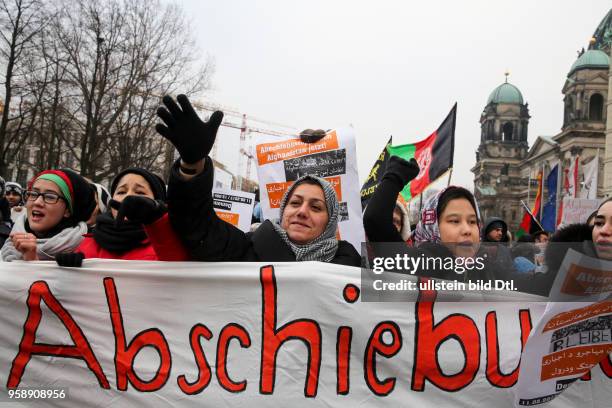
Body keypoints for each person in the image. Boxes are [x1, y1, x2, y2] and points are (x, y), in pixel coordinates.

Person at [155, 94, 360, 265]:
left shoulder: (349, 265)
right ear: (283, 211)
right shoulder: (249, 247)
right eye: (295, 203)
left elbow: (387, 295)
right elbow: (197, 227)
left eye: (316, 207)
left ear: (331, 220)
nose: (302, 212)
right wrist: (192, 163)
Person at [363, 155, 505, 282]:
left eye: (472, 222)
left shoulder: (488, 269)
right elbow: (375, 221)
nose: (467, 230)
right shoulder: (422, 264)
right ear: (433, 225)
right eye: (454, 221)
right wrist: (394, 177)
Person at [56, 168, 188, 266]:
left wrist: (156, 220)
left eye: (140, 192)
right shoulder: (88, 243)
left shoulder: (168, 243)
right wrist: (70, 270)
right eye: (121, 191)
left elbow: (178, 269)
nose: (128, 197)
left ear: (156, 202)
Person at [0, 169, 95, 261]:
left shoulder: (88, 251)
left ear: (68, 210)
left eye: (50, 197)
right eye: (33, 194)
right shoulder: (9, 242)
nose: (37, 202)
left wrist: (31, 260)